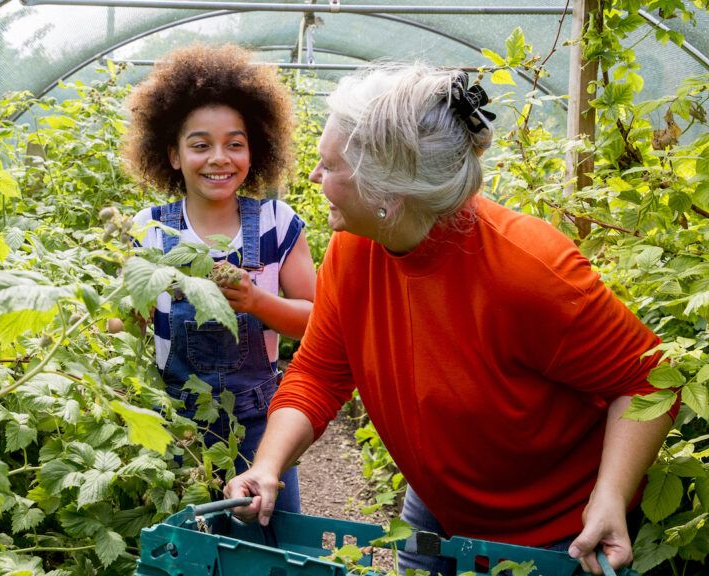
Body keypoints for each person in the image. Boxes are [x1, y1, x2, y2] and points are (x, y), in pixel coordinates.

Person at [223, 62, 676, 575]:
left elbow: (650, 381)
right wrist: (266, 467)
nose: (314, 176)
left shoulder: (529, 271)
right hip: (438, 510)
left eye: (329, 167)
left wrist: (610, 497)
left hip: (554, 536)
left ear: (388, 195)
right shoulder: (355, 251)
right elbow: (319, 373)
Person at [122, 43, 317, 513]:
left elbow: (317, 321)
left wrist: (256, 302)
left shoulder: (277, 223)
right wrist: (127, 315)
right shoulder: (151, 229)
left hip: (258, 424)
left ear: (255, 150)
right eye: (200, 144)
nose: (219, 158)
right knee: (188, 542)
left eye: (235, 143)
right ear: (172, 154)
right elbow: (124, 328)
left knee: (269, 536)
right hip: (175, 424)